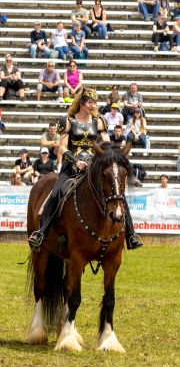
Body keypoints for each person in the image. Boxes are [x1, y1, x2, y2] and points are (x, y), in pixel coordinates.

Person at [28, 88, 142, 250]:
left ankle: (131, 234)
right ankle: (42, 232)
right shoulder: (68, 121)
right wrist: (75, 161)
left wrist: (103, 158)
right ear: (81, 103)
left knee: (117, 193)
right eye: (90, 102)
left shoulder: (100, 121)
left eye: (95, 102)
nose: (93, 105)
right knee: (56, 192)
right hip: (71, 166)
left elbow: (106, 145)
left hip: (94, 167)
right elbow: (61, 147)